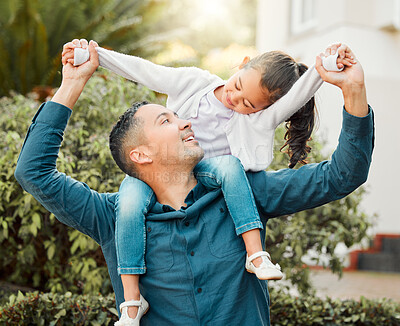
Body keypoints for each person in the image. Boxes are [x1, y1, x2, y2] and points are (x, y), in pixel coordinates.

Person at [14, 40, 373, 326]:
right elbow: (34, 173)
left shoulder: (244, 192)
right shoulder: (114, 216)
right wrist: (73, 83)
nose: (186, 121)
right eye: (167, 120)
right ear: (141, 154)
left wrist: (353, 91)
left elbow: (343, 175)